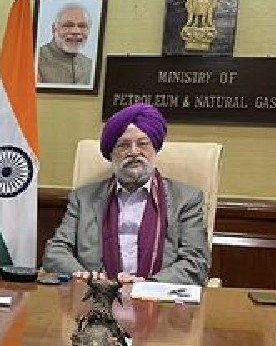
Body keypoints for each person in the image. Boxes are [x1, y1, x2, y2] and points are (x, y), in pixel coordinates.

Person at [43, 103, 210, 285]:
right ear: (111, 154)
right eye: (123, 145)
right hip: (94, 299)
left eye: (142, 144)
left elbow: (196, 263)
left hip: (158, 301)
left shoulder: (186, 199)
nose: (133, 152)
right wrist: (86, 277)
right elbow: (56, 252)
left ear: (155, 148)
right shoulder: (83, 199)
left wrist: (145, 286)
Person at [37, 3, 94, 85]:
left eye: (82, 26)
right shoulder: (36, 61)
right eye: (68, 25)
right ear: (54, 29)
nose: (76, 31)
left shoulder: (90, 65)